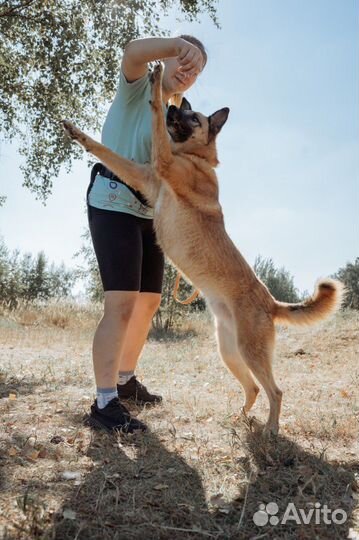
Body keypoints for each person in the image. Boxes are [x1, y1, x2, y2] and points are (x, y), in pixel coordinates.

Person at [86, 36, 207, 433]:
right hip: (112, 200)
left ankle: (125, 380)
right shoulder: (138, 88)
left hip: (149, 213)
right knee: (121, 304)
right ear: (167, 58)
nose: (188, 72)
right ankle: (104, 403)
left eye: (197, 70)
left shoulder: (176, 116)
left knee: (149, 302)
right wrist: (174, 44)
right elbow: (131, 53)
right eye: (184, 60)